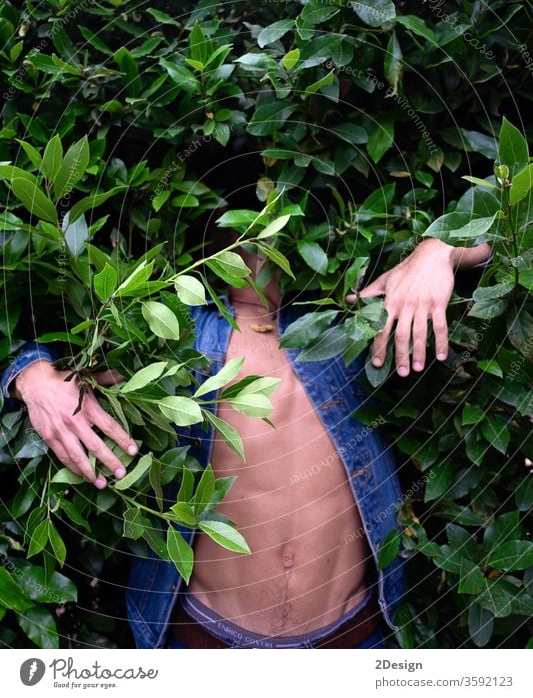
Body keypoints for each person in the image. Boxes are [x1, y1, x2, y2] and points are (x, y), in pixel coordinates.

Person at [1, 202, 491, 648]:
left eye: (277, 228)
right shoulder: (175, 331)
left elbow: (505, 237)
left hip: (351, 639)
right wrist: (29, 375)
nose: (261, 248)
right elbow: (55, 357)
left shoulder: (352, 321)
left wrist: (440, 249)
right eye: (244, 227)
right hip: (205, 644)